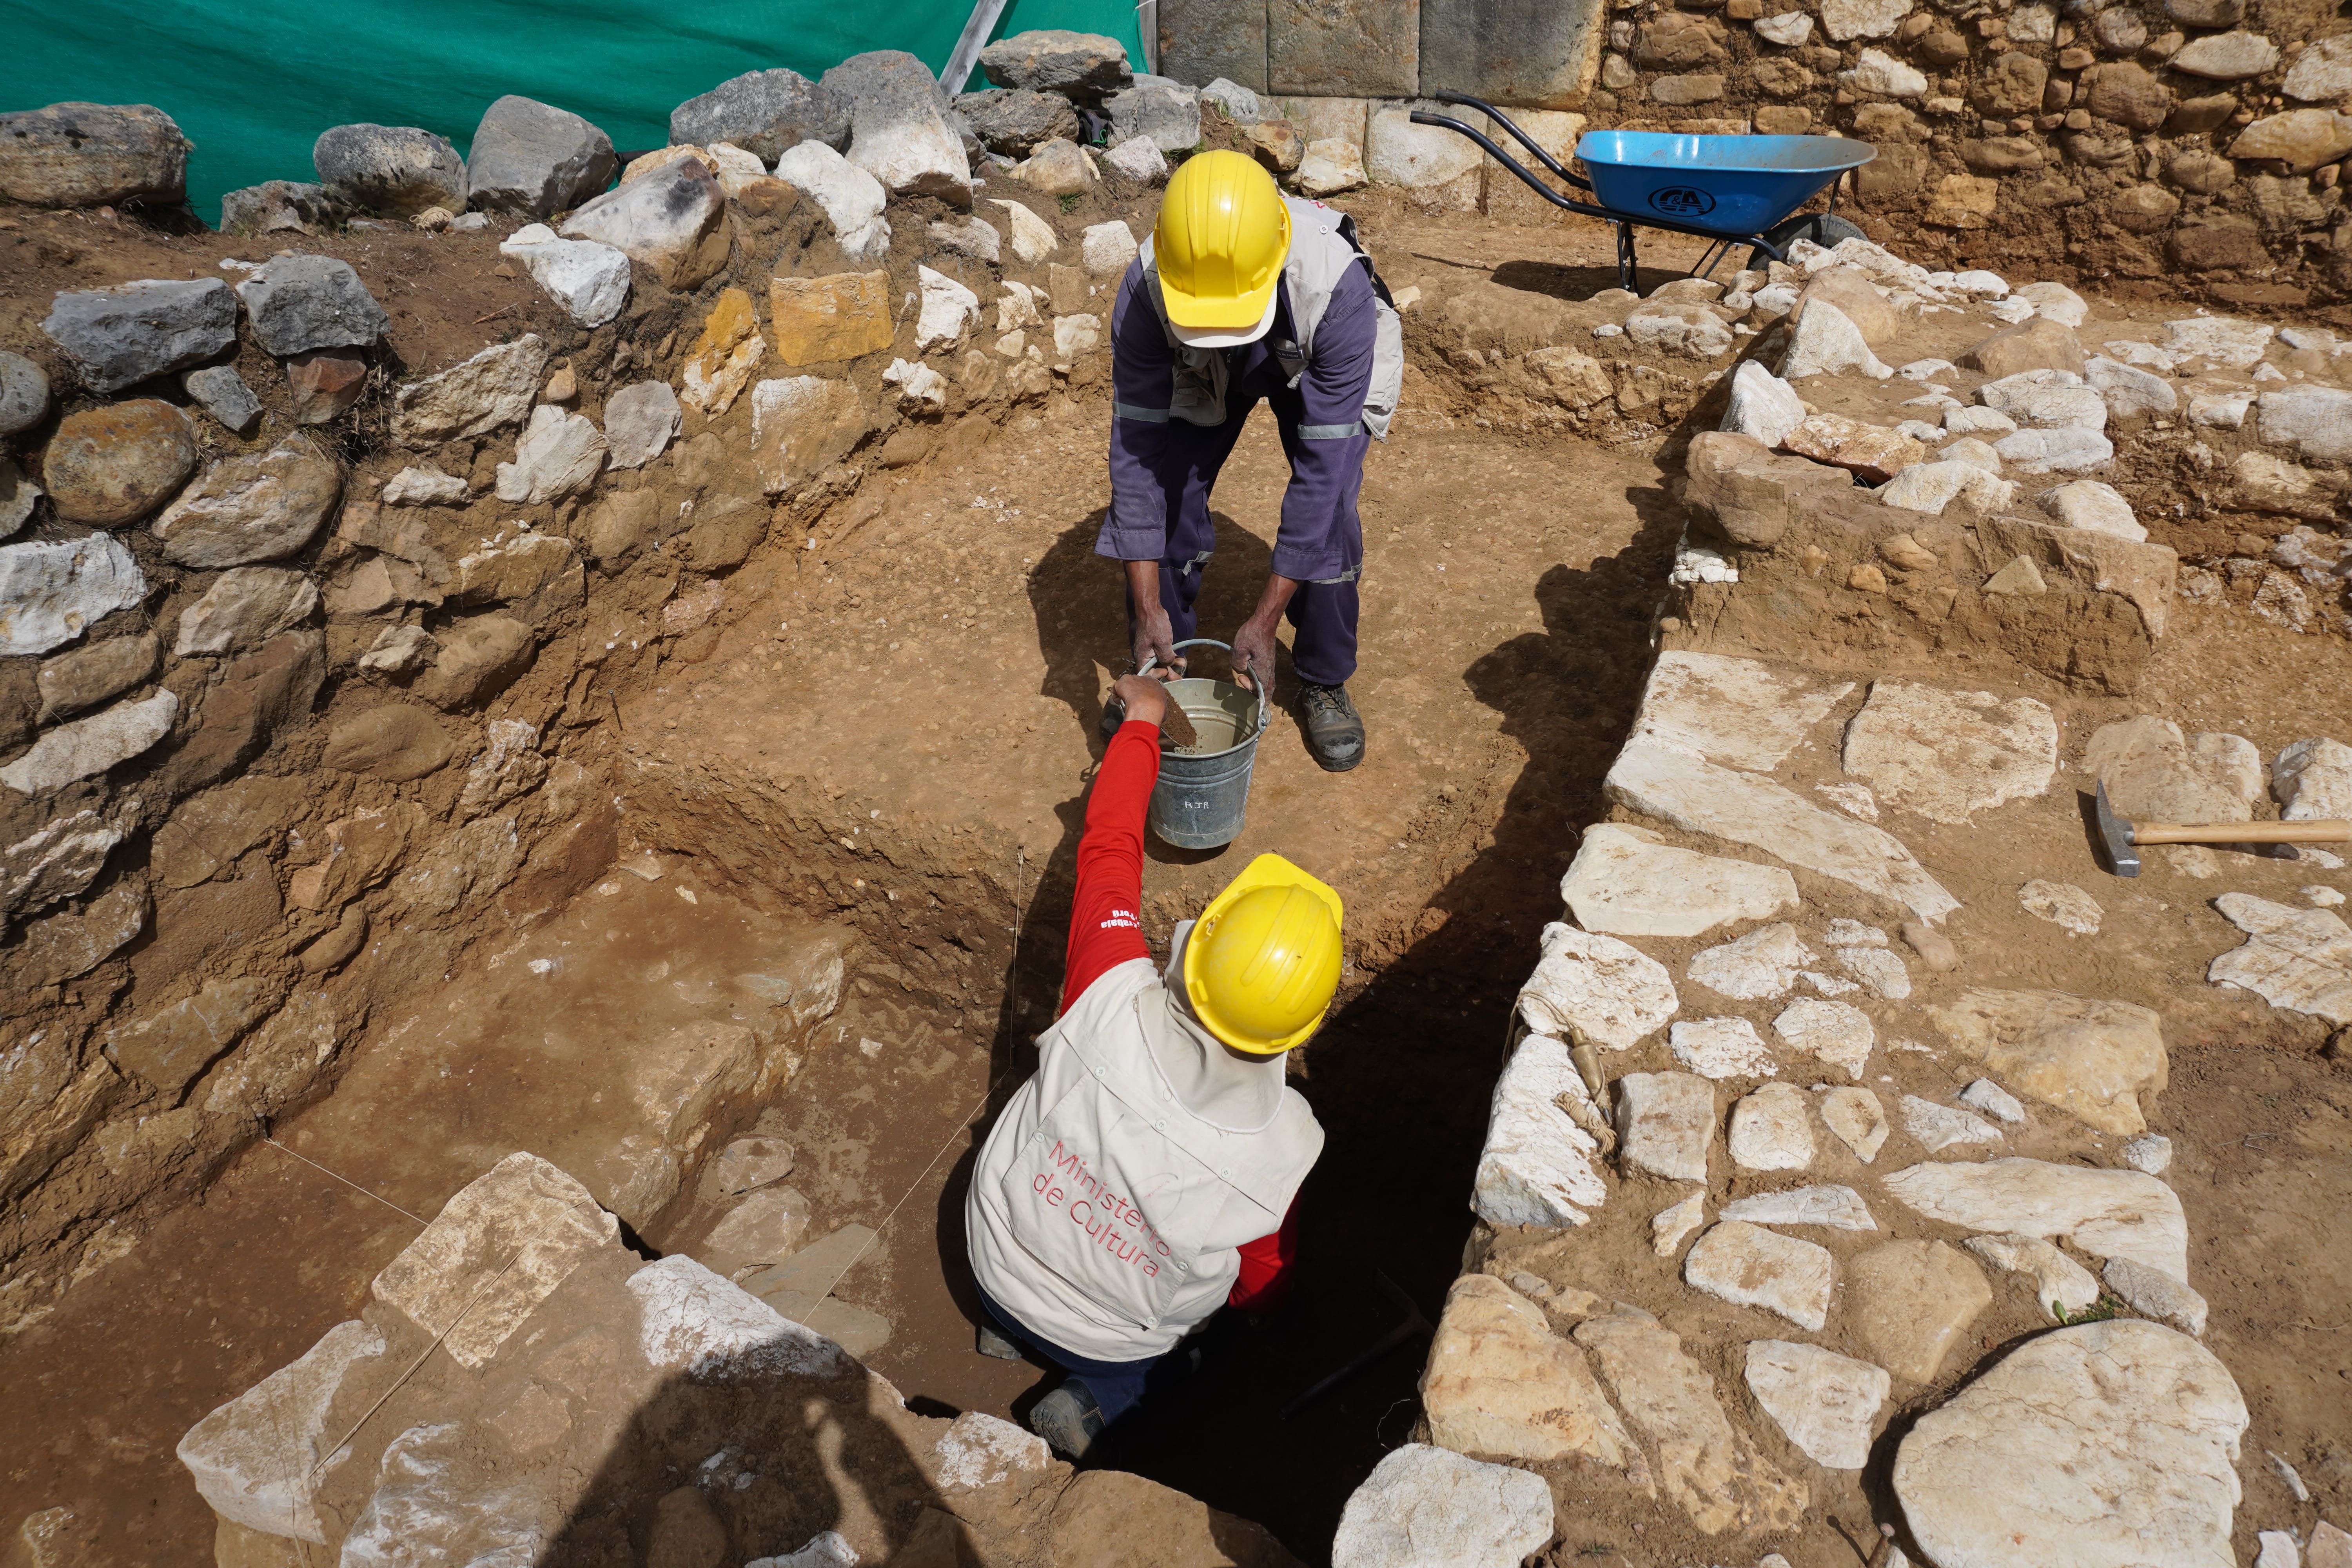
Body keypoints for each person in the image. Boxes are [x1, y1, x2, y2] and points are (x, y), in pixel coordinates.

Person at [964, 673, 1339, 1458]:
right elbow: (1261, 1277)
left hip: (994, 1246)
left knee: (1028, 1258)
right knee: (1192, 1341)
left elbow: (1109, 845)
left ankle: (1001, 1324)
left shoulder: (1110, 985)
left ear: (1200, 944)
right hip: (1110, 1331)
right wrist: (1261, 1317)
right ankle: (1095, 1399)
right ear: (1300, 1027)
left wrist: (1141, 722)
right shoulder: (1284, 1148)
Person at [1098, 149, 1404, 773]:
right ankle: (1162, 664)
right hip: (1200, 354)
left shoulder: (1334, 288)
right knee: (1173, 486)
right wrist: (1147, 602)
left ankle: (1322, 675)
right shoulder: (1148, 288)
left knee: (1334, 513)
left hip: (1312, 344)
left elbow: (1321, 483)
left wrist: (1264, 620)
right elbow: (1136, 458)